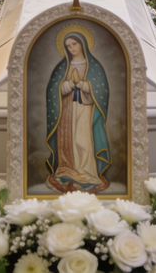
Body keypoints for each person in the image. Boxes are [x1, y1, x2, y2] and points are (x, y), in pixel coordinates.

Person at [45, 30, 110, 194]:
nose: (72, 48)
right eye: (68, 46)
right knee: (67, 141)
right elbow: (53, 89)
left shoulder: (94, 66)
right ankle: (67, 170)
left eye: (74, 44)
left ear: (82, 44)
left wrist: (82, 84)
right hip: (66, 109)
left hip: (86, 109)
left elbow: (101, 90)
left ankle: (87, 174)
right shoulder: (63, 67)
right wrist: (68, 85)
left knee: (83, 140)